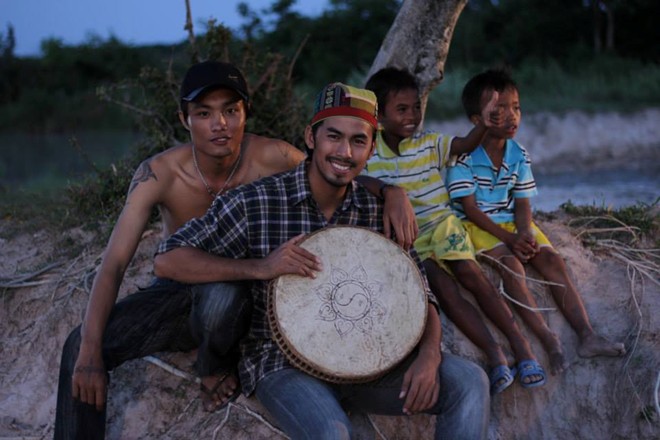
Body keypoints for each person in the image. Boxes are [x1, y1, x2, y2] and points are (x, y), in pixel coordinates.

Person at [54, 61, 416, 439]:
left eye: (230, 110)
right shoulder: (160, 173)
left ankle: (218, 365)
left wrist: (391, 192)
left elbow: (334, 168)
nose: (219, 124)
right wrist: (91, 352)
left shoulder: (272, 156)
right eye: (204, 113)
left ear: (246, 113)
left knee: (225, 295)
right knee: (81, 345)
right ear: (185, 119)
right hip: (185, 291)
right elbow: (113, 264)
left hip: (252, 305)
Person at [154, 82, 490, 440]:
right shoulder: (255, 203)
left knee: (470, 381)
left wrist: (429, 355)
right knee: (333, 434)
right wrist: (261, 267)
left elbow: (420, 293)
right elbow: (167, 260)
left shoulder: (380, 213)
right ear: (310, 138)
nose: (344, 152)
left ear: (371, 149)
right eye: (333, 136)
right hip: (284, 366)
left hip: (371, 364)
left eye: (358, 141)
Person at [359, 67, 553, 394]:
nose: (412, 116)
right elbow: (355, 178)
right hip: (410, 237)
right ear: (379, 116)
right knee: (444, 290)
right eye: (402, 110)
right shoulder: (368, 150)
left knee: (472, 276)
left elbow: (463, 144)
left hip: (443, 225)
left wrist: (486, 124)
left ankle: (523, 348)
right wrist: (384, 189)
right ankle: (495, 355)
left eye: (416, 107)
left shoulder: (431, 143)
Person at [446, 68, 626, 364]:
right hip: (476, 223)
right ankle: (547, 338)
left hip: (509, 221)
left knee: (552, 260)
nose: (512, 115)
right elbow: (470, 209)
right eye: (499, 109)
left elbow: (522, 201)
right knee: (512, 265)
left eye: (516, 107)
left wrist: (525, 232)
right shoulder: (462, 157)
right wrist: (509, 239)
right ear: (477, 120)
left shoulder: (519, 154)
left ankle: (587, 336)